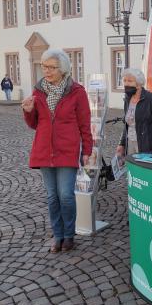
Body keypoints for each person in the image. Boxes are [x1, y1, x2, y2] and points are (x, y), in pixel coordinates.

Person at [22, 49, 93, 253]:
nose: (46, 71)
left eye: (51, 67)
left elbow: (84, 124)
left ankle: (69, 234)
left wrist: (86, 150)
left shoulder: (76, 91)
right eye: (44, 66)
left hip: (67, 150)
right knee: (52, 197)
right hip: (44, 150)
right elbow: (35, 123)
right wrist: (28, 112)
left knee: (66, 196)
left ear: (62, 69)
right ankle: (58, 235)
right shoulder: (38, 91)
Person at [116, 68, 152, 158]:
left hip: (146, 144)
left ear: (138, 84)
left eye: (130, 81)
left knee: (143, 169)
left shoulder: (151, 99)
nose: (126, 83)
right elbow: (127, 123)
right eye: (124, 80)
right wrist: (122, 143)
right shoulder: (127, 99)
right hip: (130, 142)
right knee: (131, 168)